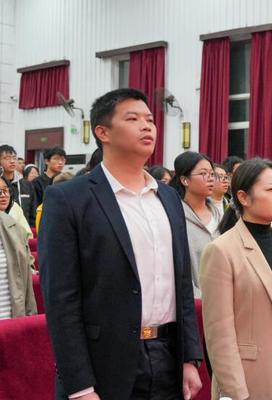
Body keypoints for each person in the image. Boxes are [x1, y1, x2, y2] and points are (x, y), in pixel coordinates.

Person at [39, 88, 202, 400]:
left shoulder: (168, 197)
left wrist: (189, 358)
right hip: (105, 363)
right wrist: (80, 386)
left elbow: (181, 283)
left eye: (150, 120)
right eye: (133, 119)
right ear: (103, 133)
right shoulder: (69, 199)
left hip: (167, 357)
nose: (146, 126)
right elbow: (61, 300)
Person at [201, 159, 272, 399]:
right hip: (251, 378)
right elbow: (219, 334)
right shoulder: (222, 250)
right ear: (243, 197)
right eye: (270, 189)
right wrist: (235, 391)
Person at [170, 151, 220, 298]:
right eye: (203, 174)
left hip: (222, 298)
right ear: (185, 180)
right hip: (195, 301)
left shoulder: (218, 215)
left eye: (212, 174)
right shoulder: (176, 217)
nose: (210, 178)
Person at [0, 177, 37, 319]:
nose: (3, 195)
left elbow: (25, 280)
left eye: (5, 191)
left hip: (10, 315)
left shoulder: (15, 227)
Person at [1, 146, 36, 226]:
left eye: (14, 158)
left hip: (23, 229)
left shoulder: (27, 185)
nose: (12, 161)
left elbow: (33, 212)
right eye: (7, 158)